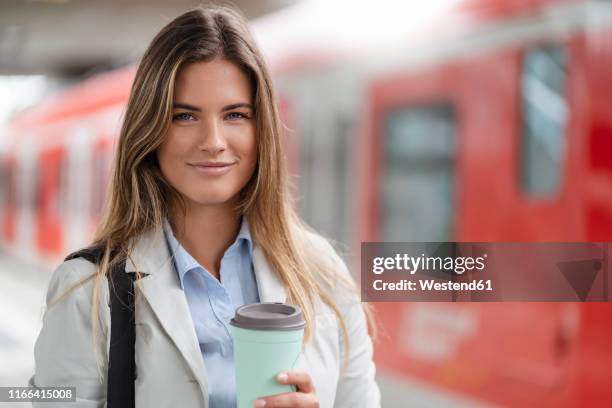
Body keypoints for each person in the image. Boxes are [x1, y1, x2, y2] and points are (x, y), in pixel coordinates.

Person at [30, 5, 380, 408]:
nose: (213, 141)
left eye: (235, 115)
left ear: (261, 127)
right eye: (184, 116)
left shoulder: (325, 278)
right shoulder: (85, 290)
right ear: (151, 130)